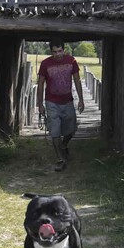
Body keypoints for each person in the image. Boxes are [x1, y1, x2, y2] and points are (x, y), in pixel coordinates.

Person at [37, 39, 85, 172]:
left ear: (64, 50)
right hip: (51, 102)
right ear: (50, 52)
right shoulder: (45, 64)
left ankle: (64, 145)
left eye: (59, 51)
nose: (57, 54)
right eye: (54, 52)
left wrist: (81, 99)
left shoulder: (71, 61)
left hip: (68, 101)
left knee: (71, 129)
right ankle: (60, 159)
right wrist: (40, 104)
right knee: (55, 132)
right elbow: (40, 84)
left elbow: (77, 79)